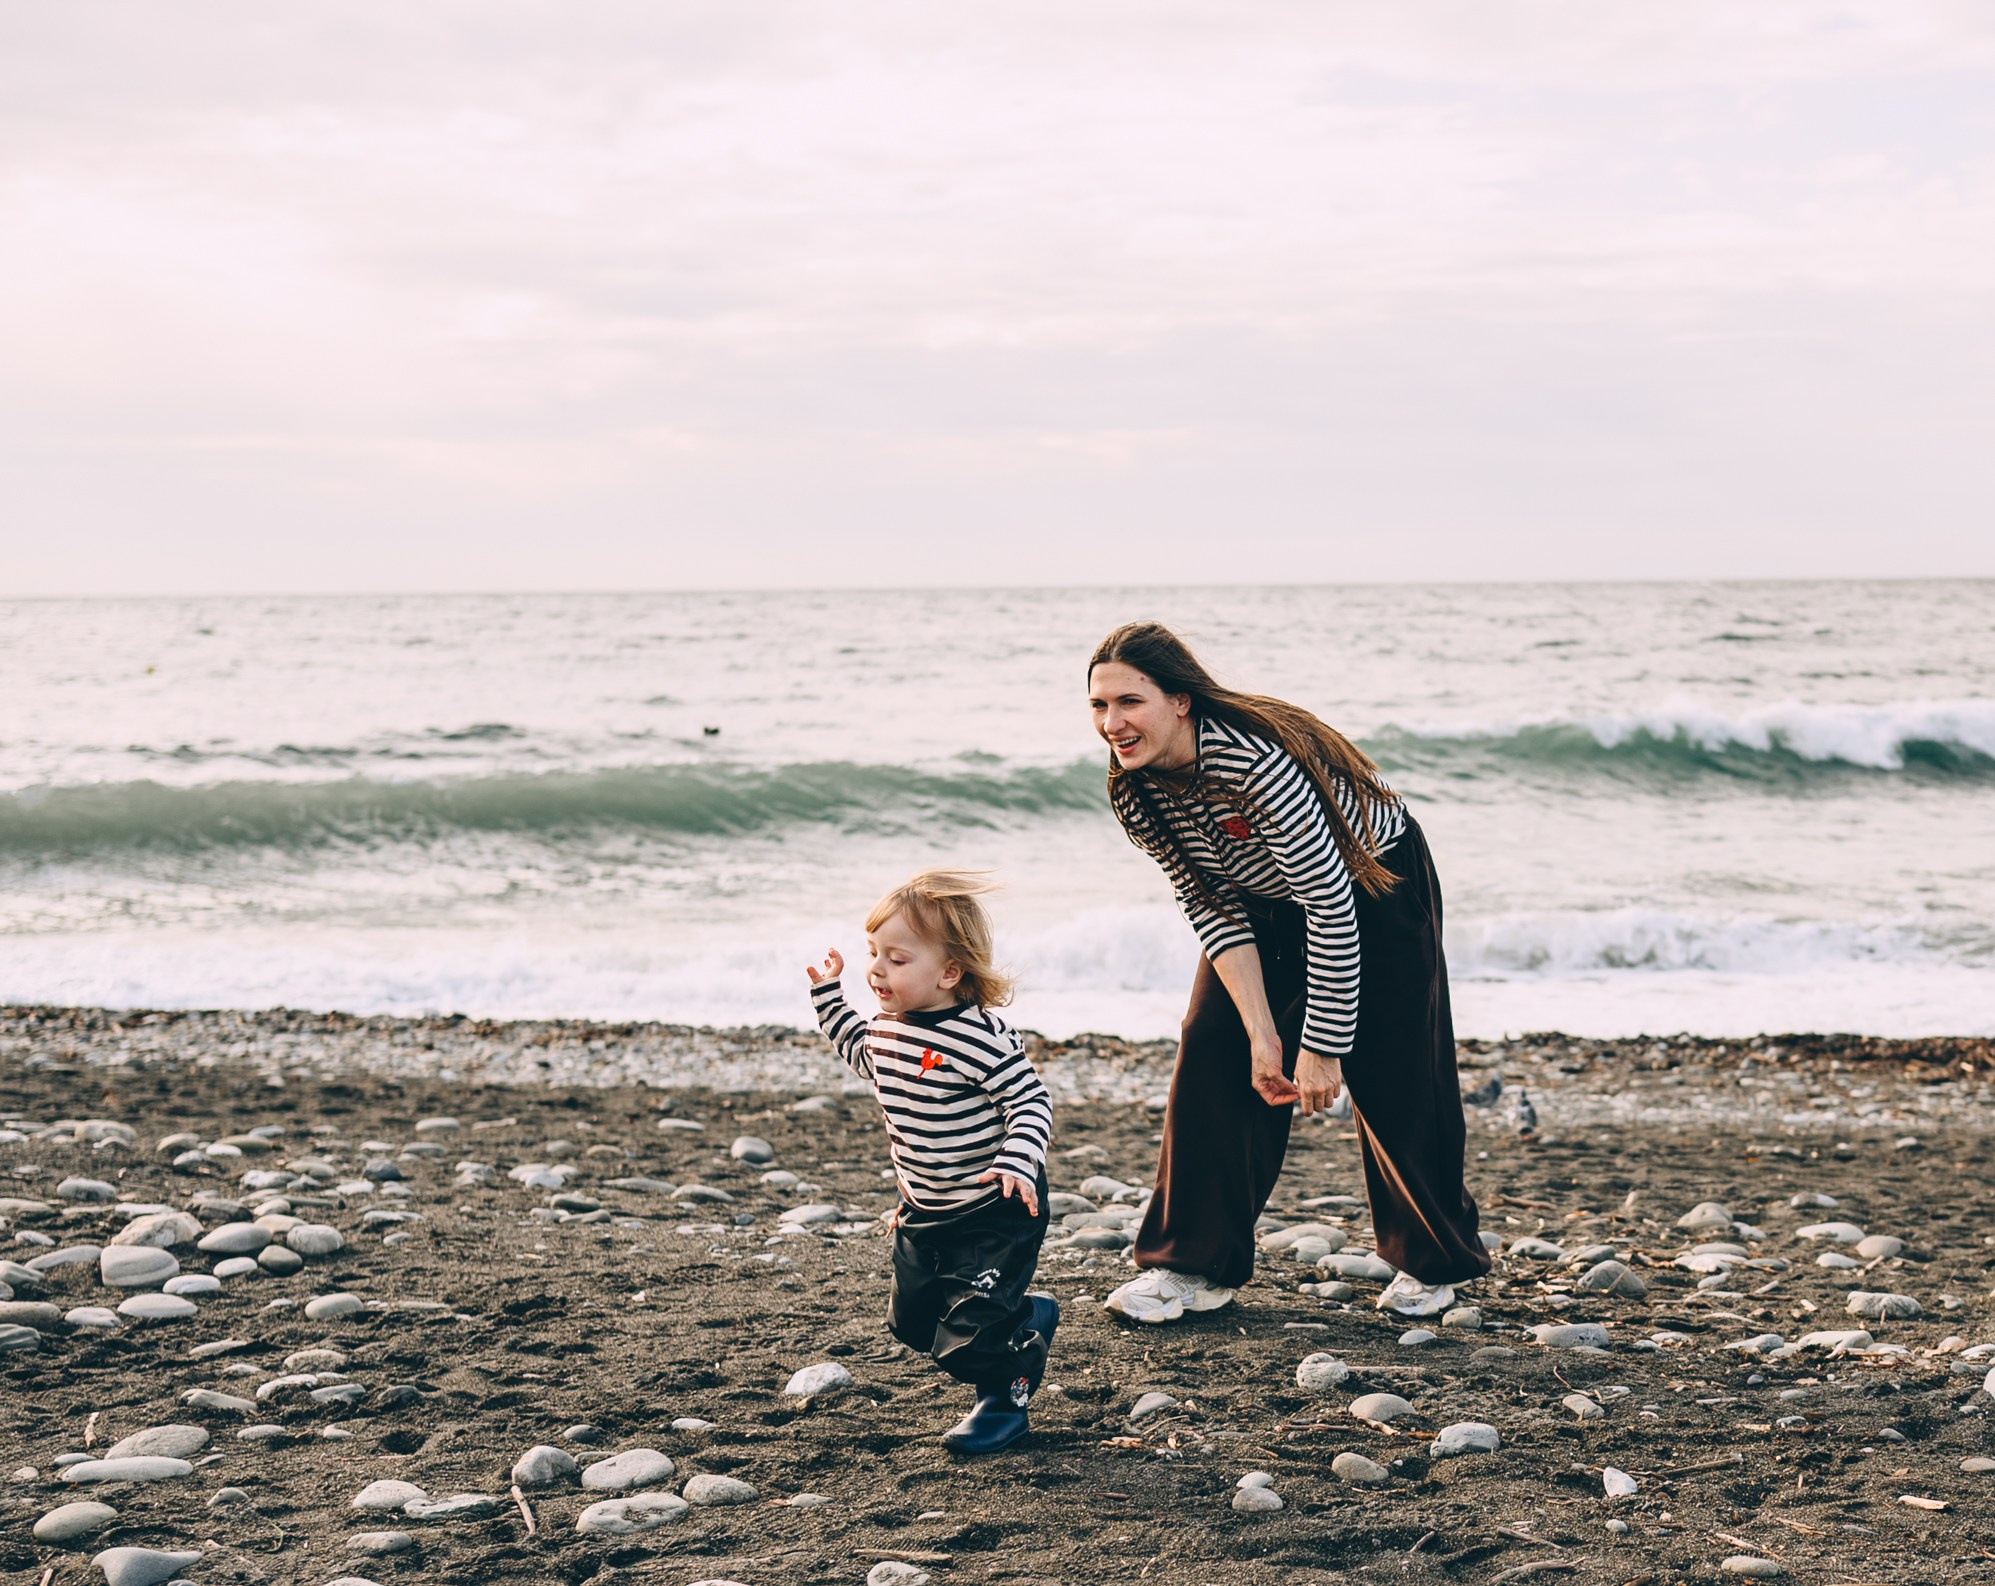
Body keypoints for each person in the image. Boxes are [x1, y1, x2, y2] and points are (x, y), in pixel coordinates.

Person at [1088, 622, 1490, 1323]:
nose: (1112, 724)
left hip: (1371, 886)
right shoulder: (1137, 788)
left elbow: (1330, 907)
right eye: (1098, 706)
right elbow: (1206, 900)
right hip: (1256, 899)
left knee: (1393, 1070)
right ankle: (1193, 1266)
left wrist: (1321, 1046)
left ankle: (1432, 1262)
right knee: (1213, 1048)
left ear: (1180, 701)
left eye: (1129, 702)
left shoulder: (1255, 764)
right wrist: (1262, 1035)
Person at [806, 870, 1059, 1453]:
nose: (876, 970)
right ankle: (1027, 1316)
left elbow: (1030, 1100)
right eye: (873, 954)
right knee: (914, 1324)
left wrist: (1019, 1162)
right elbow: (857, 1048)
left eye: (896, 959)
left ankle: (1006, 1399)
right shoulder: (887, 1029)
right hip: (925, 1209)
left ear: (950, 973)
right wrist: (828, 993)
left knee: (970, 1338)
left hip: (994, 1209)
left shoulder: (978, 1036)